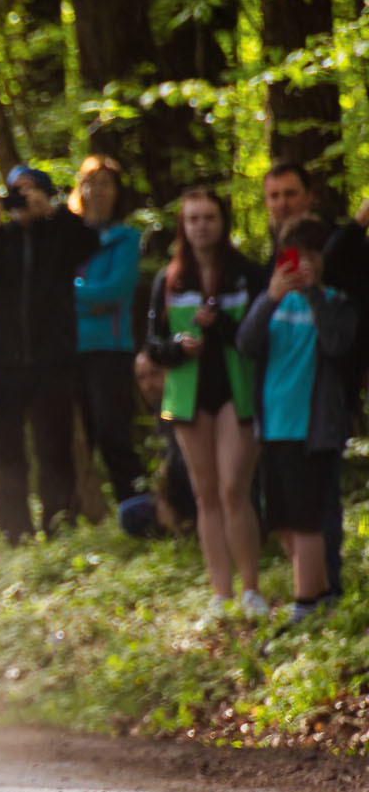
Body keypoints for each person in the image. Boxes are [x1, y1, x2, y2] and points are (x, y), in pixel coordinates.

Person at [143, 187, 268, 618]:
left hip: (236, 391)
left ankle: (251, 590)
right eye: (193, 219)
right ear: (183, 225)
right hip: (188, 395)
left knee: (234, 489)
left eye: (209, 218)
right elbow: (153, 347)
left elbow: (259, 336)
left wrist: (219, 327)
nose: (201, 226)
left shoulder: (247, 273)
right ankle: (220, 594)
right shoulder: (168, 279)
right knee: (205, 494)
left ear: (222, 222)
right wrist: (178, 346)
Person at [0, 164, 102, 543]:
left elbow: (89, 243)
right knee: (8, 448)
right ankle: (15, 529)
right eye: (16, 191)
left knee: (53, 445)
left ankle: (60, 523)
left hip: (52, 360)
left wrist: (53, 213)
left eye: (30, 190)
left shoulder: (59, 233)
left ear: (44, 193)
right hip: (4, 362)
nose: (22, 198)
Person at [239, 218, 358, 623]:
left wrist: (313, 294)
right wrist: (271, 297)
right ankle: (320, 595)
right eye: (294, 254)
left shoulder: (337, 302)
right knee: (281, 521)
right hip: (272, 427)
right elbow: (246, 343)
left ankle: (305, 603)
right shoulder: (273, 301)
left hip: (312, 429)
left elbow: (337, 345)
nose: (302, 262)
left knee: (307, 521)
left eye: (310, 254)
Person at [70, 156, 145, 502]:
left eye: (105, 184)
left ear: (117, 192)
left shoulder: (126, 240)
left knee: (112, 432)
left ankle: (135, 507)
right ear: (80, 189)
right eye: (91, 183)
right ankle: (74, 511)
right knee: (74, 436)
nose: (97, 191)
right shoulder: (67, 238)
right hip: (69, 349)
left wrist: (71, 293)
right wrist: (88, 298)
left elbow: (114, 293)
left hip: (110, 349)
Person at [118, 353, 197, 540]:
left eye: (154, 374)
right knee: (128, 514)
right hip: (173, 493)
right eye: (141, 378)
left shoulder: (183, 405)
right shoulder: (160, 410)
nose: (148, 384)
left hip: (194, 488)